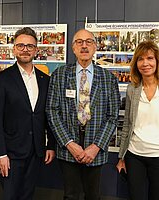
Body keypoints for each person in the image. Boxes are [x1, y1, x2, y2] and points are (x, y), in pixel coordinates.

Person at [46, 29, 120, 200]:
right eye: (79, 42)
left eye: (89, 42)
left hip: (96, 148)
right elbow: (52, 111)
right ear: (73, 48)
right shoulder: (60, 75)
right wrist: (70, 144)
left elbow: (112, 116)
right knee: (70, 195)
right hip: (68, 148)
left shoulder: (108, 78)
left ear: (95, 47)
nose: (84, 45)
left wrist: (95, 147)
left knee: (93, 196)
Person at [0, 27, 55, 200]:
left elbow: (48, 115)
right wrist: (0, 154)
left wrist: (50, 146)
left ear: (36, 50)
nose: (25, 49)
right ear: (14, 49)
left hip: (36, 152)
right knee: (11, 196)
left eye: (30, 46)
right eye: (21, 45)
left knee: (27, 196)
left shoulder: (45, 79)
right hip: (10, 154)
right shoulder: (1, 79)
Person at [116, 40, 159, 200]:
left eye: (150, 58)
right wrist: (121, 157)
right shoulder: (132, 89)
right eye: (140, 59)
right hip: (135, 155)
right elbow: (127, 124)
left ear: (157, 61)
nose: (145, 63)